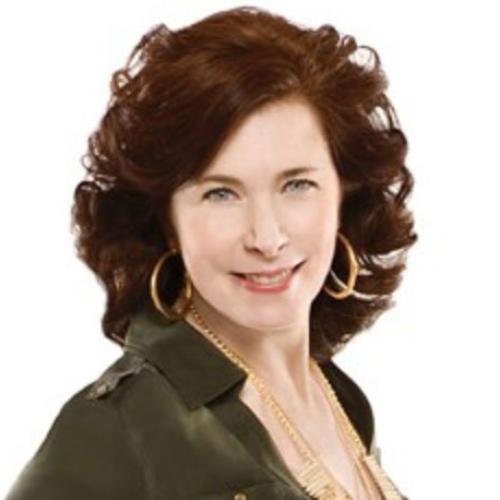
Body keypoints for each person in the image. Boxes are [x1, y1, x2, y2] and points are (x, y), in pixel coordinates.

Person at [5, 6, 416, 499]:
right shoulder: (120, 426)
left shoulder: (342, 400)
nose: (266, 237)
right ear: (167, 220)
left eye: (297, 185)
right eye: (221, 193)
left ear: (343, 195)